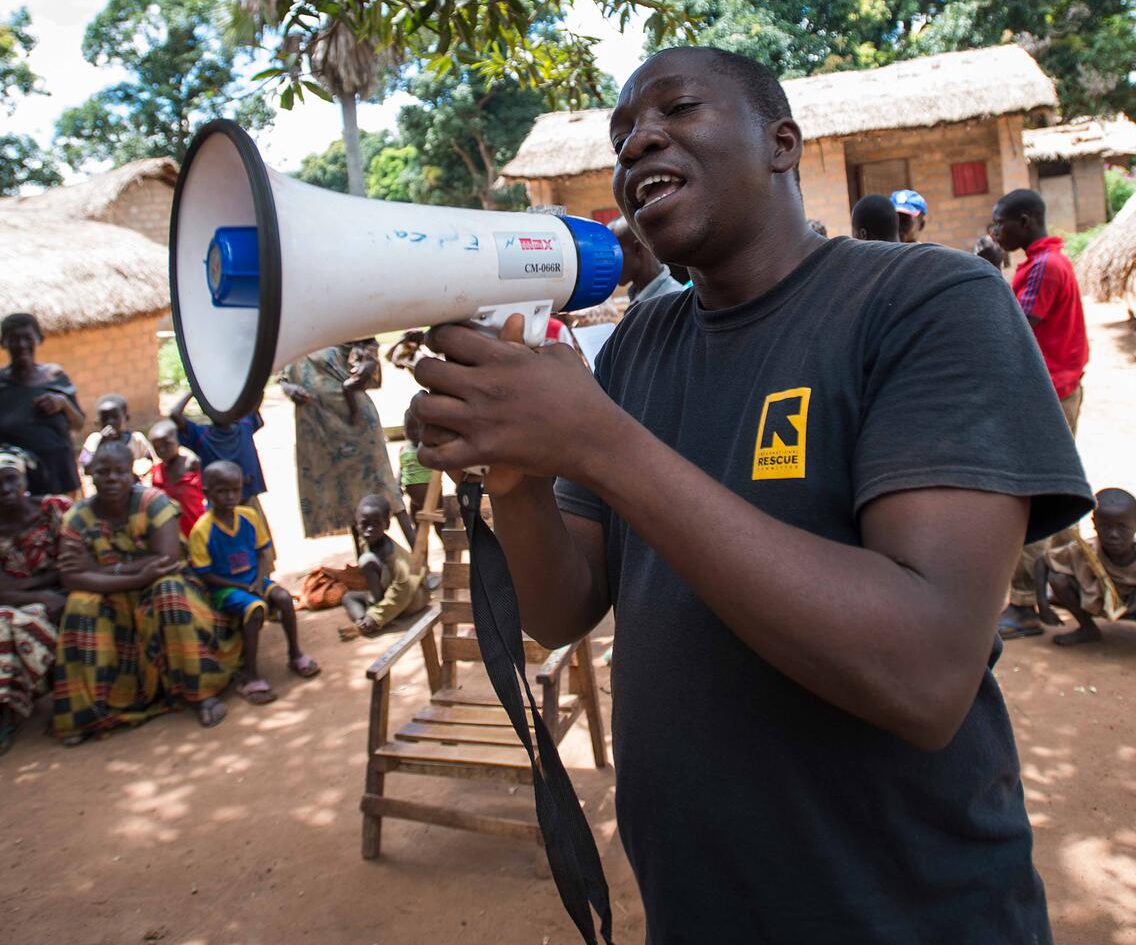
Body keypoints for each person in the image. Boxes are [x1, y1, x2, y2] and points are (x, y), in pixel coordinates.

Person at [410, 46, 1092, 944]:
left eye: (678, 109)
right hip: (696, 909)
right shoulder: (639, 345)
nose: (637, 142)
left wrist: (599, 442)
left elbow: (926, 673)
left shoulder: (927, 301)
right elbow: (562, 606)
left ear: (782, 143)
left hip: (905, 914)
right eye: (621, 136)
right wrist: (521, 477)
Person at [51, 438, 239, 743]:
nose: (111, 479)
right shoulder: (77, 518)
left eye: (119, 472)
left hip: (159, 588)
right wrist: (134, 573)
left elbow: (165, 561)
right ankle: (84, 714)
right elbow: (72, 578)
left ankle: (202, 693)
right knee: (80, 604)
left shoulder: (153, 503)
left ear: (133, 474)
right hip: (113, 595)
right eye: (103, 472)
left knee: (168, 590)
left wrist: (99, 571)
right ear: (91, 474)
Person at [991, 186, 1090, 640]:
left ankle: (1025, 602)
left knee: (1034, 490)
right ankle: (1068, 579)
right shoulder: (1044, 263)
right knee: (1058, 485)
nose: (996, 231)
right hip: (1057, 389)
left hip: (1049, 395)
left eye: (1001, 223)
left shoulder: (1045, 268)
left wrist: (989, 272)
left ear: (1025, 223)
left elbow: (1014, 329)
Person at [188, 460, 319, 702]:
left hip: (253, 580)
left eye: (235, 490)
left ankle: (295, 654)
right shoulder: (202, 530)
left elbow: (261, 553)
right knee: (255, 608)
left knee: (283, 598)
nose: (230, 497)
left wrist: (259, 580)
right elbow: (205, 574)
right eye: (222, 491)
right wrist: (243, 587)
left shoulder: (248, 516)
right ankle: (250, 676)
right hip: (224, 589)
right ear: (207, 493)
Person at [0, 447, 70, 756]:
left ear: (24, 479)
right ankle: (60, 698)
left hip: (63, 596)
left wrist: (22, 585)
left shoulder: (55, 509)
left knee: (3, 623)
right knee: (9, 622)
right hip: (26, 605)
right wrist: (42, 589)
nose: (5, 489)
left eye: (11, 479)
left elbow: (71, 567)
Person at [278, 343, 411, 544]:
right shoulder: (289, 333)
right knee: (348, 496)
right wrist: (288, 389)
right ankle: (366, 556)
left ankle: (419, 555)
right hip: (320, 427)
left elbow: (368, 350)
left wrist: (365, 367)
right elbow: (283, 375)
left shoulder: (336, 329)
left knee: (384, 485)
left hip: (355, 420)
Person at [0, 313, 84, 496]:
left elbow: (78, 424)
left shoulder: (56, 377)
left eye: (27, 337)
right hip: (19, 489)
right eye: (14, 339)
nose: (21, 345)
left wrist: (63, 403)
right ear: (3, 343)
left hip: (64, 479)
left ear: (39, 339)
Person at [169, 390, 275, 543]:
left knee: (258, 545)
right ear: (206, 410)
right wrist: (196, 388)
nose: (221, 412)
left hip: (247, 501)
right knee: (223, 548)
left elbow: (257, 394)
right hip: (219, 509)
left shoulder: (244, 425)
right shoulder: (201, 435)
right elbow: (174, 414)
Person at [1035, 488, 1136, 647]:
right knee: (1058, 579)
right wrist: (1042, 604)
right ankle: (1087, 628)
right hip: (1097, 601)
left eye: (1122, 527)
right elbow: (1042, 562)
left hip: (1131, 606)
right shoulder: (1086, 551)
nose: (1113, 534)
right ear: (1094, 524)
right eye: (1105, 527)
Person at [339, 495, 430, 640]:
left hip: (413, 597)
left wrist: (376, 616)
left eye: (376, 524)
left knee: (367, 561)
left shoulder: (393, 555)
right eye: (364, 524)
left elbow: (404, 588)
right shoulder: (365, 541)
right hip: (391, 591)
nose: (370, 529)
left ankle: (373, 618)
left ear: (387, 524)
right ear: (356, 524)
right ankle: (363, 622)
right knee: (348, 598)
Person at [608, 215, 687, 304]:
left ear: (637, 249)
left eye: (615, 254)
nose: (610, 263)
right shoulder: (638, 294)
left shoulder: (672, 301)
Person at [78, 394, 155, 483]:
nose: (110, 422)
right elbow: (87, 470)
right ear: (97, 421)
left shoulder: (136, 439)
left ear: (126, 418)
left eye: (115, 417)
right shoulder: (94, 440)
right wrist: (102, 444)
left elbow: (152, 462)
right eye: (105, 418)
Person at [149, 417, 205, 538]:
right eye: (156, 447)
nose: (162, 450)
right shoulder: (157, 472)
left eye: (166, 444)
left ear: (178, 439)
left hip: (200, 529)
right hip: (174, 535)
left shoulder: (193, 465)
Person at [398, 407, 434, 520]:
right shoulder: (403, 449)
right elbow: (402, 468)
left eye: (419, 428)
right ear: (404, 430)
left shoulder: (430, 447)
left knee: (439, 522)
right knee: (415, 520)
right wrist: (397, 484)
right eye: (410, 428)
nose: (415, 432)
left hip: (433, 497)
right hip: (413, 499)